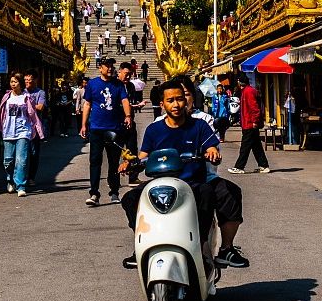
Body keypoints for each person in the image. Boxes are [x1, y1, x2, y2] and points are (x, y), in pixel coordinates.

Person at [120, 78, 250, 270]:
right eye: (170, 100)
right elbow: (143, 157)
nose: (176, 104)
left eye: (180, 99)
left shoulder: (199, 126)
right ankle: (143, 244)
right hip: (160, 183)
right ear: (162, 104)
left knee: (216, 192)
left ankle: (207, 244)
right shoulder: (154, 129)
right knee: (130, 198)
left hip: (193, 183)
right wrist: (131, 164)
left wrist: (212, 152)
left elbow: (212, 147)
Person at [81, 59, 132, 206]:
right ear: (100, 68)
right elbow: (88, 104)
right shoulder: (92, 84)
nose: (110, 68)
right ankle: (94, 193)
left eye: (112, 66)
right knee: (95, 161)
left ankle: (115, 191)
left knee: (113, 161)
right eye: (107, 66)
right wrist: (84, 124)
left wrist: (128, 116)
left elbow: (124, 100)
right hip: (96, 128)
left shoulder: (118, 84)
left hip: (114, 128)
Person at [0, 73, 45, 196]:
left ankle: (21, 185)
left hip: (23, 131)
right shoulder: (6, 97)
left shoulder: (27, 98)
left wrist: (36, 129)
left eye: (15, 82)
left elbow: (33, 115)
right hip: (8, 132)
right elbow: (1, 114)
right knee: (8, 161)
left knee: (21, 160)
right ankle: (10, 180)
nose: (13, 84)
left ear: (20, 84)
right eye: (11, 81)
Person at [225, 75, 270, 174]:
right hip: (248, 123)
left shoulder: (248, 92)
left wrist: (254, 121)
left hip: (249, 124)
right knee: (256, 146)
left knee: (245, 147)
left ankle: (239, 167)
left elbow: (254, 108)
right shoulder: (247, 91)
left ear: (240, 82)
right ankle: (263, 165)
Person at [23, 71, 47, 186]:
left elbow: (41, 107)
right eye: (25, 80)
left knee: (34, 153)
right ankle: (21, 177)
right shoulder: (22, 92)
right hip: (22, 126)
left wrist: (26, 105)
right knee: (22, 153)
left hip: (35, 127)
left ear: (35, 80)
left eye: (30, 80)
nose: (27, 82)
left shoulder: (40, 93)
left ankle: (31, 177)